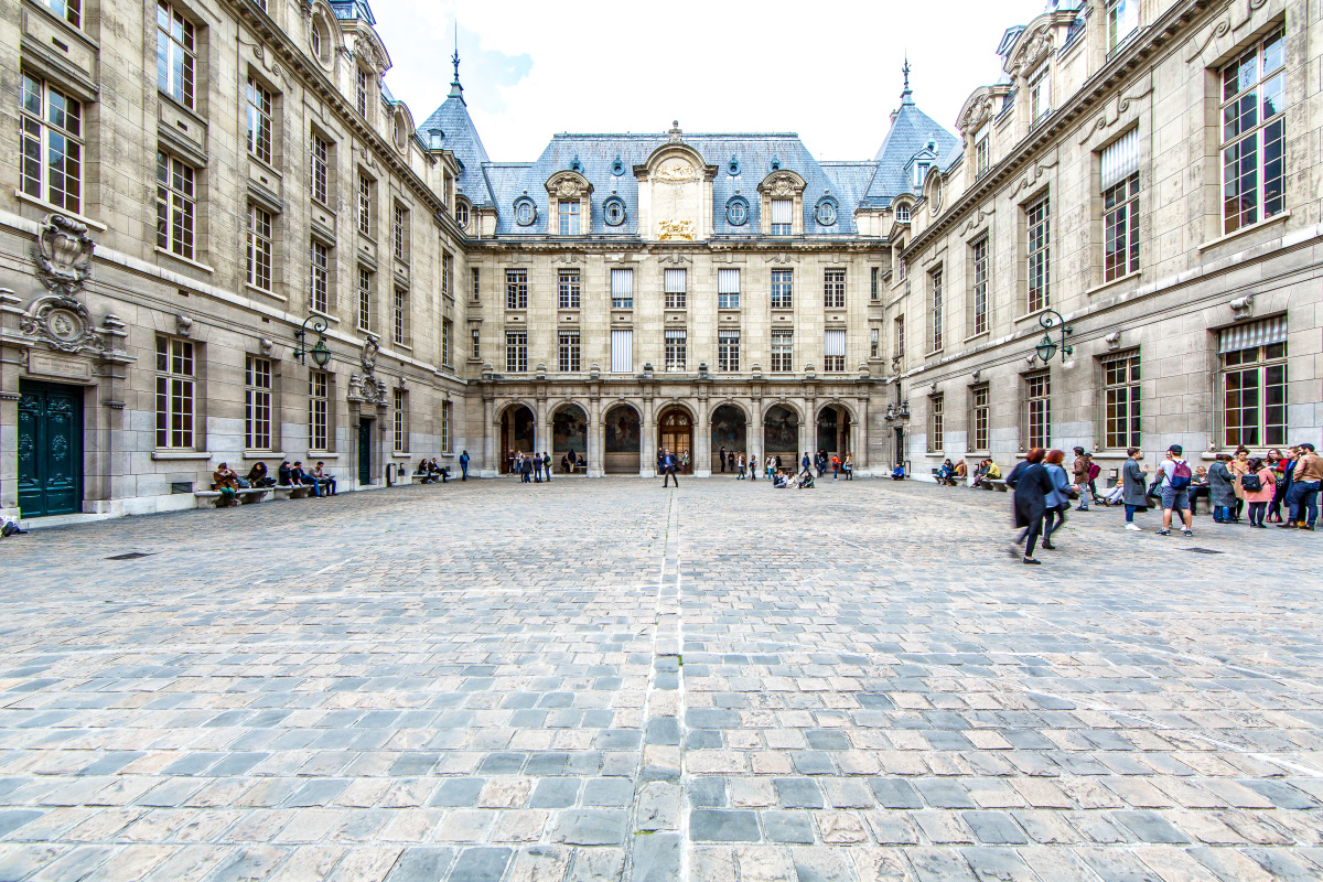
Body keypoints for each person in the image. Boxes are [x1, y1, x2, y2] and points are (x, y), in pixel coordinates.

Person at [1007, 448, 1054, 565]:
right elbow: (1049, 487)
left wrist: (1020, 489)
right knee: (1035, 526)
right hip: (1035, 500)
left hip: (1019, 499)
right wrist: (1036, 490)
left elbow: (1009, 480)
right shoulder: (1040, 469)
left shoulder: (1021, 465)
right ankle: (1028, 555)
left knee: (1031, 523)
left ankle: (1017, 542)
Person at [1282, 442, 1322, 530]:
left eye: (1301, 449)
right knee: (1312, 504)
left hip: (1303, 482)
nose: (1300, 451)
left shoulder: (1304, 458)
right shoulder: (1320, 458)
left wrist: (1295, 480)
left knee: (1295, 501)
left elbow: (1298, 470)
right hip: (1315, 482)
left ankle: (1293, 521)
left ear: (1306, 449)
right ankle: (1311, 523)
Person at [1157, 444, 1194, 537]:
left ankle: (1166, 529)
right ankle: (1188, 529)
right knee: (1186, 508)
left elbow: (1159, 473)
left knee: (1167, 508)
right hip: (1182, 487)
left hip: (1169, 486)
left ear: (1171, 452)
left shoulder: (1166, 463)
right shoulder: (1187, 463)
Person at [1041, 449, 1073, 549]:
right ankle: (1047, 536)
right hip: (1056, 499)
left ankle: (1046, 539)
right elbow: (1062, 486)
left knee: (1049, 519)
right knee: (1062, 518)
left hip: (1045, 498)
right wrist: (1073, 489)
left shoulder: (1043, 468)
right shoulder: (1058, 469)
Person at [1242, 456, 1276, 528]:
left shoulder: (1248, 471)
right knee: (1261, 507)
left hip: (1251, 490)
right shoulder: (1265, 470)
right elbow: (1272, 479)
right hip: (1262, 490)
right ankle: (1260, 523)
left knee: (1252, 507)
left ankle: (1252, 523)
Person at [1121, 448, 1149, 531]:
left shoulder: (1127, 462)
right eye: (1139, 453)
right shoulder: (1133, 464)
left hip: (1130, 486)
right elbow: (1136, 476)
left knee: (1130, 504)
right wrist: (1144, 472)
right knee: (1131, 505)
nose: (1140, 454)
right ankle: (1129, 522)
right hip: (1133, 487)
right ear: (1135, 454)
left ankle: (1129, 522)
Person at [1208, 454, 1237, 524]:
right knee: (1226, 503)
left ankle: (1216, 517)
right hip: (1223, 487)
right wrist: (1233, 476)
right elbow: (1225, 476)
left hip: (1214, 486)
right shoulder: (1222, 466)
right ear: (1225, 460)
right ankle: (1225, 517)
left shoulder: (1212, 465)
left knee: (1217, 504)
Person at [1229, 446, 1250, 523]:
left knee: (1241, 499)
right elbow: (1228, 471)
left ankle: (1238, 514)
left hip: (1243, 482)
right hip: (1235, 482)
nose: (1243, 456)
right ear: (1238, 455)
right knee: (1234, 499)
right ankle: (1232, 514)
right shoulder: (1232, 463)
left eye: (1245, 455)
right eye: (1241, 455)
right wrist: (1233, 474)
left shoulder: (1248, 463)